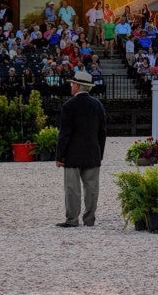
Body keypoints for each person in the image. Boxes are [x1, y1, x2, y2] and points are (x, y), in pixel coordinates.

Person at [55, 70, 106, 228]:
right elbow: (102, 133)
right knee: (92, 188)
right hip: (92, 153)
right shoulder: (98, 105)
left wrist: (59, 155)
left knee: (72, 189)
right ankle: (89, 219)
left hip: (73, 154)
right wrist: (100, 154)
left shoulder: (69, 106)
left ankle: (72, 219)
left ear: (78, 86)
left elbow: (65, 133)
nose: (71, 85)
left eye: (72, 83)